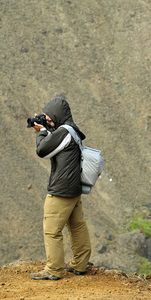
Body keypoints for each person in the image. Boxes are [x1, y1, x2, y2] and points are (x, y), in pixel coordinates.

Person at [29, 96, 91, 280]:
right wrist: (48, 129)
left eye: (49, 116)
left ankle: (53, 269)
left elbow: (43, 150)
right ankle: (80, 264)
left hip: (61, 191)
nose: (47, 119)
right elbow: (57, 144)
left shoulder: (64, 132)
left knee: (51, 230)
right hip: (74, 189)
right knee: (77, 225)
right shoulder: (71, 130)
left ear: (57, 114)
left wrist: (41, 132)